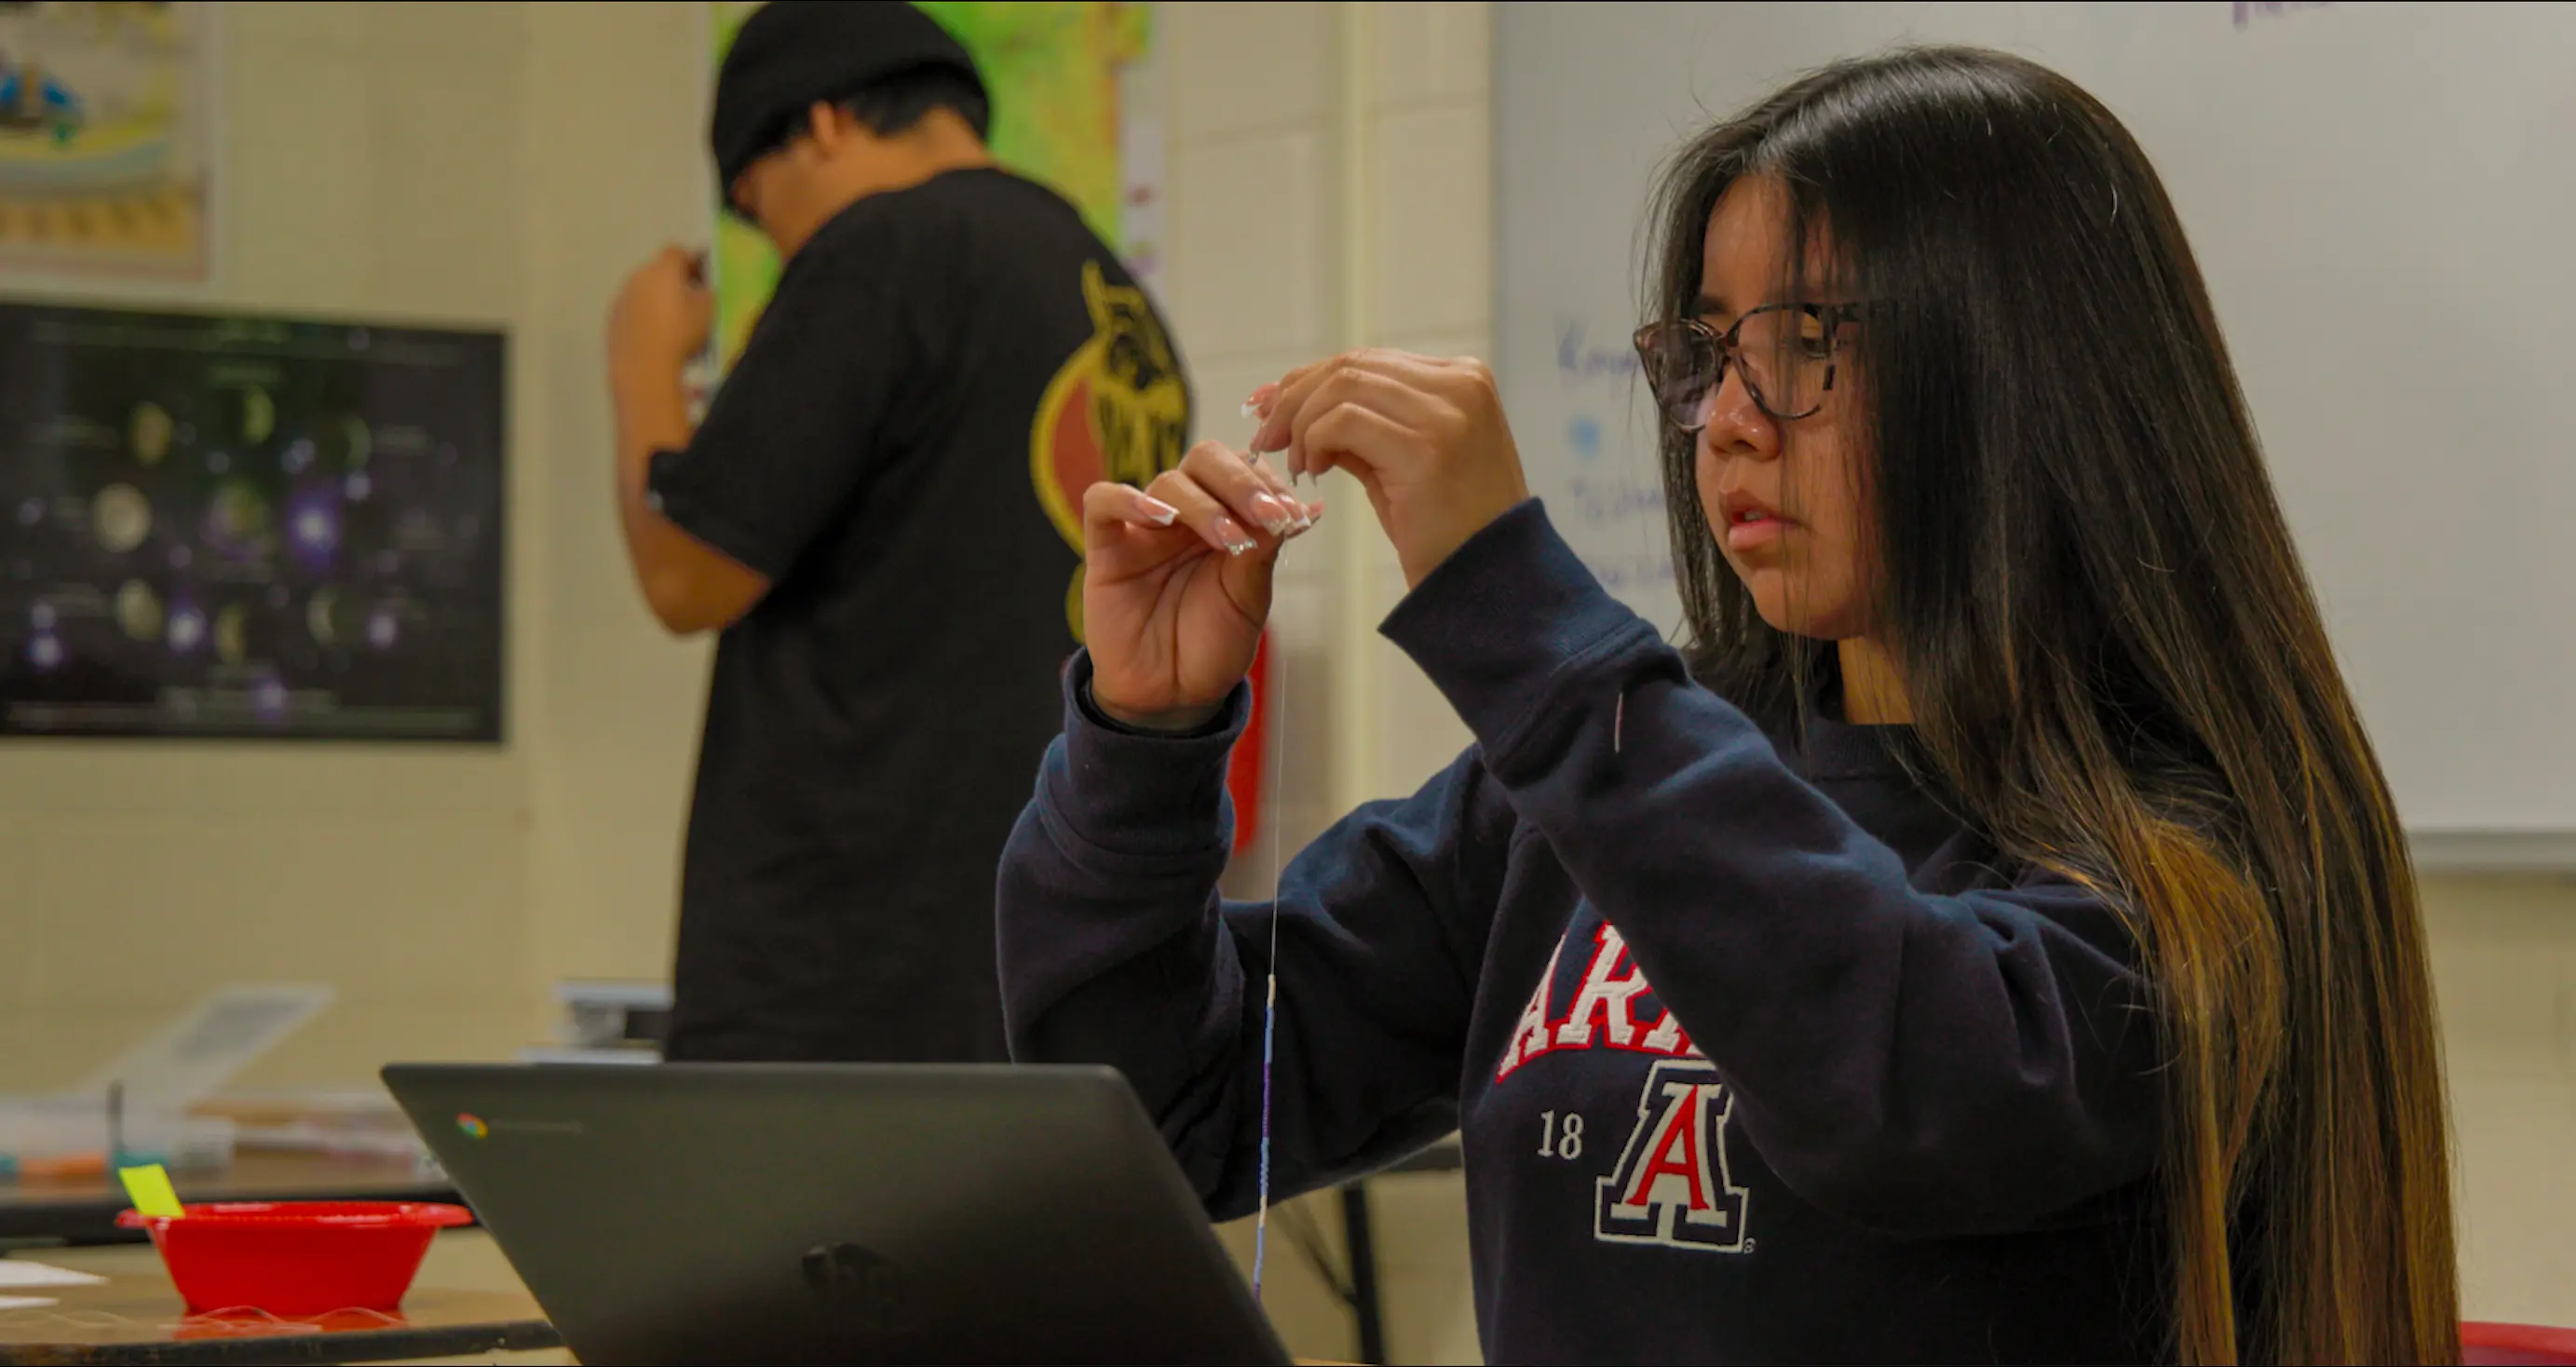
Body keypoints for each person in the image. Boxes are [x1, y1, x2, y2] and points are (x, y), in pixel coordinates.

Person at [997, 46, 2458, 1365]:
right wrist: (1142, 744)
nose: (1734, 420)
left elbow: (1899, 1082)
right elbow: (1159, 1119)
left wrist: (1508, 601)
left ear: (2016, 377)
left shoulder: (2192, 858)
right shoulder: (1587, 795)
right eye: (1708, 353)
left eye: (1812, 340)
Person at [604, 1, 1192, 1063]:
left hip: (845, 961)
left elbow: (686, 574)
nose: (772, 239)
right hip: (1046, 942)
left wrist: (642, 367)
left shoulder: (880, 250)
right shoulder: (1113, 294)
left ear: (821, 124)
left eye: (754, 202)